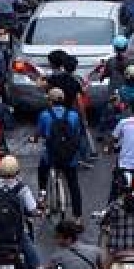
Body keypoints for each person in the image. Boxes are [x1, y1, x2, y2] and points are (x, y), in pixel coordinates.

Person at [36, 88, 86, 218]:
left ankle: (42, 197)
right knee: (73, 185)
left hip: (51, 156)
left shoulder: (45, 115)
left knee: (42, 171)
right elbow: (78, 134)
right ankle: (78, 217)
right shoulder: (73, 115)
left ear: (50, 101)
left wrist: (34, 138)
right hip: (70, 157)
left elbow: (39, 133)